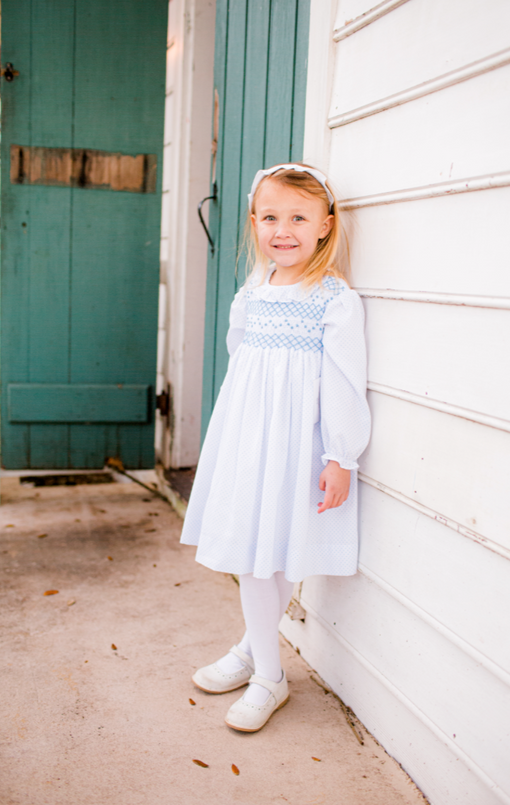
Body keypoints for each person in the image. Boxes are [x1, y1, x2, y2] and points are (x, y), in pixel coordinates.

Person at [180, 163, 371, 732]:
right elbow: (243, 359)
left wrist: (341, 455)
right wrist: (239, 428)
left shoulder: (334, 298)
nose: (281, 229)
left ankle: (270, 677)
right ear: (254, 222)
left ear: (324, 225)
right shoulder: (255, 287)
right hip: (249, 437)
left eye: (297, 217)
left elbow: (344, 381)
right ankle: (254, 653)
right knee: (254, 547)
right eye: (269, 217)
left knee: (274, 551)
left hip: (299, 445)